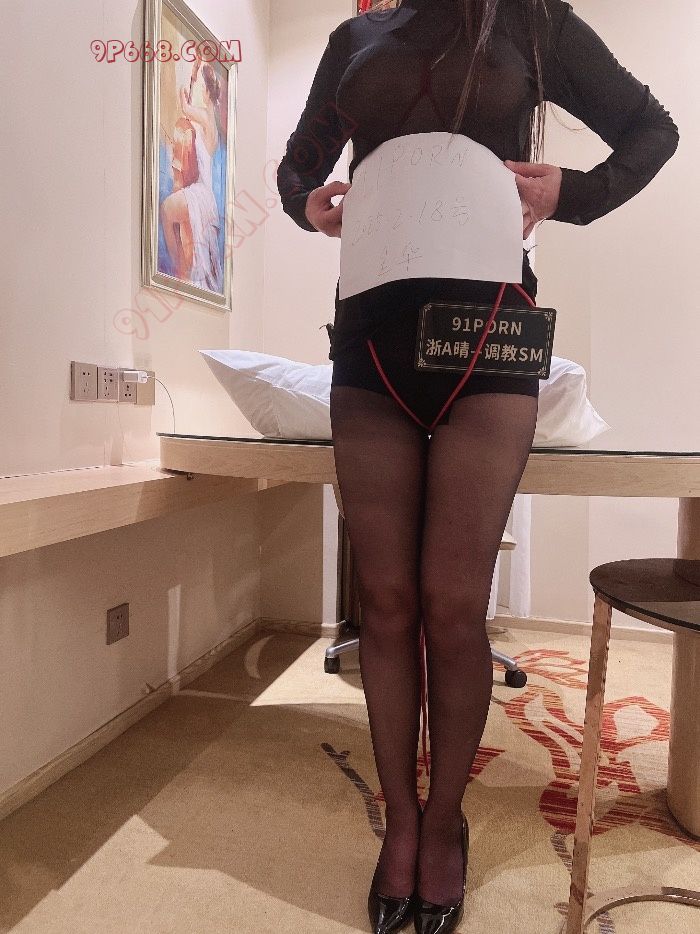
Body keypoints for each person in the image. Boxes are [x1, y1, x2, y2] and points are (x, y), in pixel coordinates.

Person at [277, 2, 678, 932]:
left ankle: (445, 819)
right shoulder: (356, 35)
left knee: (453, 604)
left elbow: (651, 129)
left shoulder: (535, 22)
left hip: (488, 334)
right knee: (385, 602)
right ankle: (402, 824)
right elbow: (301, 161)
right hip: (370, 335)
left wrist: (573, 192)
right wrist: (306, 202)